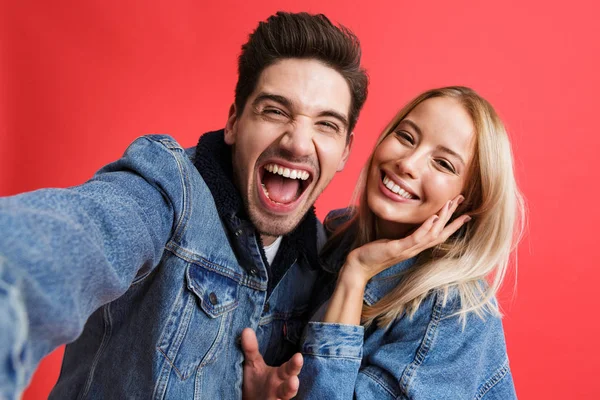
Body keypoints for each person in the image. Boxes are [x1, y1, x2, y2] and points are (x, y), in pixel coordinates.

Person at [0, 11, 368, 399]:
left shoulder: (322, 260)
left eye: (326, 124)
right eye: (275, 111)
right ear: (234, 123)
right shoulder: (168, 188)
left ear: (344, 152)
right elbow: (71, 240)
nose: (296, 142)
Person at [242, 86, 524, 399]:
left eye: (443, 163)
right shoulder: (335, 236)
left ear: (468, 202)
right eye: (406, 137)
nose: (408, 163)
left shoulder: (454, 311)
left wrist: (357, 273)